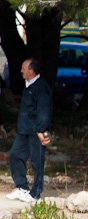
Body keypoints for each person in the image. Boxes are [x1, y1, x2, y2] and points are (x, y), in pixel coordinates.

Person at [6, 58, 52, 203]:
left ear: (31, 71)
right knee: (14, 155)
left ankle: (36, 194)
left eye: (23, 68)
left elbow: (44, 110)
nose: (21, 71)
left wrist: (40, 130)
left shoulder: (41, 87)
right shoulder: (27, 86)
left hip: (35, 131)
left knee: (37, 162)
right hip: (24, 130)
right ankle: (22, 188)